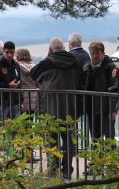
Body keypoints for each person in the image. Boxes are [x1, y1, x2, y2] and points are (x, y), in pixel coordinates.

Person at [31, 37, 82, 178]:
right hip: (70, 106)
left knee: (51, 139)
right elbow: (81, 79)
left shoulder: (47, 63)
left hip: (50, 106)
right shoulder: (74, 61)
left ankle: (53, 168)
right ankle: (67, 169)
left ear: (51, 49)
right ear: (63, 47)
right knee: (68, 139)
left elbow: (33, 73)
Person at [83, 42, 116, 142]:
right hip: (91, 107)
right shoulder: (87, 67)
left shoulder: (110, 67)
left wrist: (113, 109)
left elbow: (114, 88)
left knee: (109, 137)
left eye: (97, 53)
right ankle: (96, 153)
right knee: (95, 137)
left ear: (102, 53)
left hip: (105, 107)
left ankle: (111, 153)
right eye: (92, 53)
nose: (94, 56)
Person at [0, 41, 22, 122]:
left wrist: (21, 100)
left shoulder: (16, 65)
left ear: (14, 52)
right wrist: (7, 85)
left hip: (14, 101)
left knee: (18, 125)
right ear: (3, 52)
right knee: (0, 124)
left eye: (12, 52)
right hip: (1, 101)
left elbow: (20, 83)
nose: (9, 55)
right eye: (7, 52)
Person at [16, 48, 37, 114]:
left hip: (23, 96)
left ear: (18, 56)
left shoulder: (17, 67)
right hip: (35, 96)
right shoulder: (35, 66)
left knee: (23, 117)